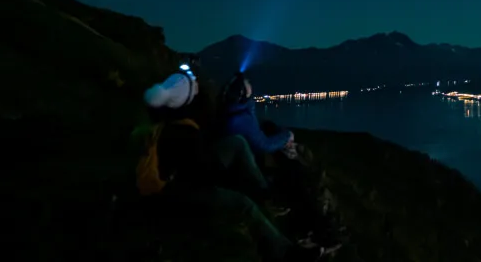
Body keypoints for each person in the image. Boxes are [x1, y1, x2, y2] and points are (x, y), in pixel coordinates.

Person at [135, 64, 336, 261]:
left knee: (237, 143)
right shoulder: (184, 132)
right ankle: (286, 252)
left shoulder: (169, 121)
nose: (198, 89)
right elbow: (200, 173)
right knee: (244, 204)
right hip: (175, 192)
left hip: (181, 176)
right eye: (193, 88)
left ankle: (266, 195)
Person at [222, 73, 343, 252]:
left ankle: (317, 229)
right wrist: (287, 136)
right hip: (252, 170)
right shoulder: (241, 118)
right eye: (248, 86)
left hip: (252, 162)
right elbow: (263, 145)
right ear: (243, 93)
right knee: (295, 175)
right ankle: (319, 232)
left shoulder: (235, 111)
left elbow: (259, 138)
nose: (251, 87)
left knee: (291, 164)